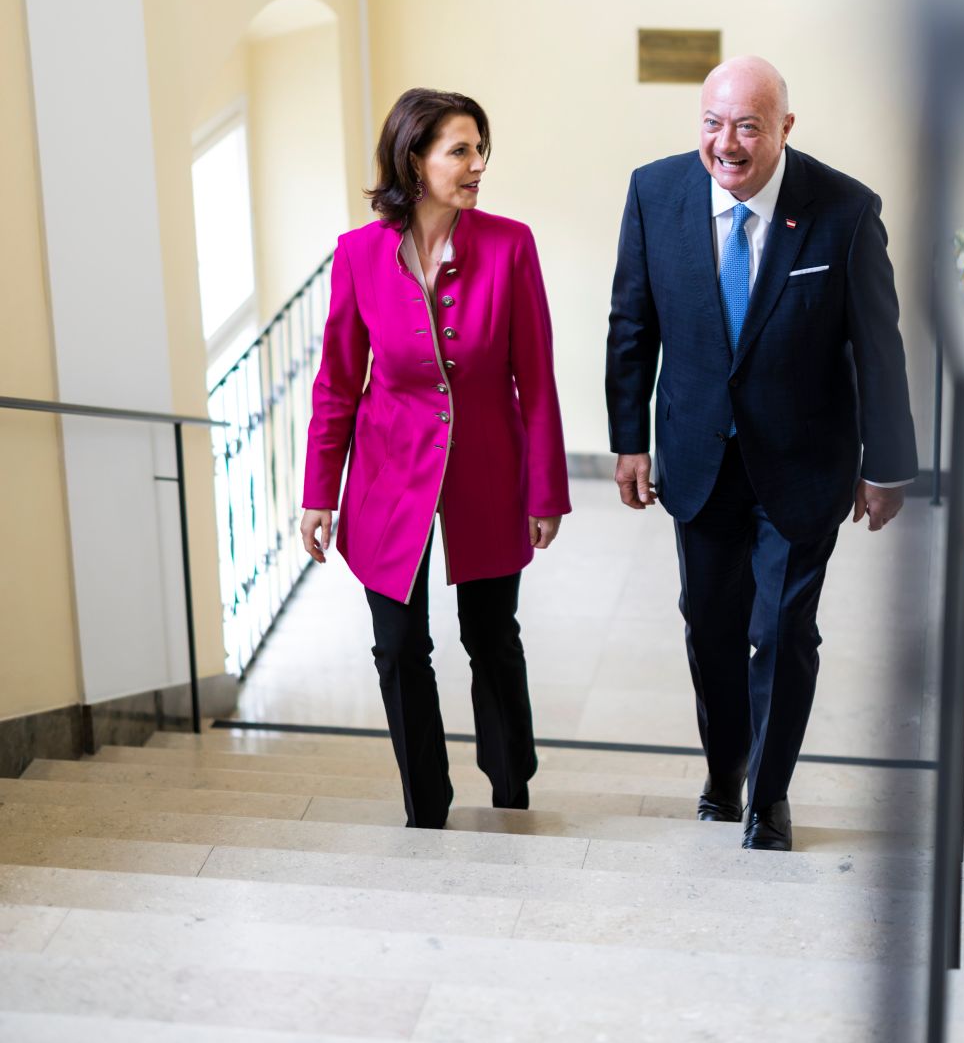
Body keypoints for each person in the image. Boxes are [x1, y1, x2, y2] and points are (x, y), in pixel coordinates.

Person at [605, 57, 917, 850]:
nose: (727, 143)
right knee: (709, 629)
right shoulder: (653, 193)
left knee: (781, 632)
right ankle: (724, 770)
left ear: (784, 127)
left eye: (747, 126)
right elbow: (632, 326)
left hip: (804, 462)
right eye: (713, 123)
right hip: (697, 458)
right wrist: (628, 441)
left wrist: (885, 464)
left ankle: (768, 796)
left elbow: (878, 347)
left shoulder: (844, 210)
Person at [300, 88, 570, 829]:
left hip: (488, 467)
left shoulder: (510, 245)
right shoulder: (358, 254)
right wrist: (319, 492)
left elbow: (536, 377)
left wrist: (545, 490)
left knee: (491, 637)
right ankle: (425, 806)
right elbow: (337, 382)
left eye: (481, 149)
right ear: (414, 159)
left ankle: (510, 787)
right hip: (387, 475)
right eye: (460, 150)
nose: (477, 164)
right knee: (397, 649)